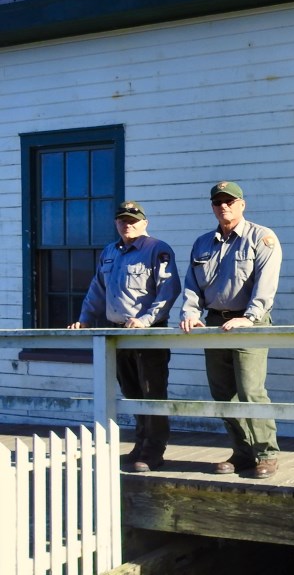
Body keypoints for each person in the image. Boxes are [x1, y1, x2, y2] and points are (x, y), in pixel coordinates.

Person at [179, 181, 283, 479]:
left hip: (249, 323)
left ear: (242, 204)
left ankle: (266, 453)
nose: (223, 206)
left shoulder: (261, 238)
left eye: (229, 201)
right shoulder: (202, 243)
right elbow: (192, 285)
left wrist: (249, 318)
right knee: (222, 392)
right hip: (214, 323)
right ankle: (242, 452)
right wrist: (189, 313)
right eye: (218, 202)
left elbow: (266, 286)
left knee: (250, 390)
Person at [68, 201, 181, 473]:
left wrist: (144, 321)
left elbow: (168, 291)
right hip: (118, 334)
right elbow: (98, 288)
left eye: (133, 219)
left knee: (151, 393)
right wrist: (85, 318)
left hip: (149, 334)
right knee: (131, 392)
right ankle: (140, 443)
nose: (127, 224)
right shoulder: (110, 252)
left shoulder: (157, 249)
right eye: (122, 220)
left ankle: (154, 450)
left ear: (145, 223)